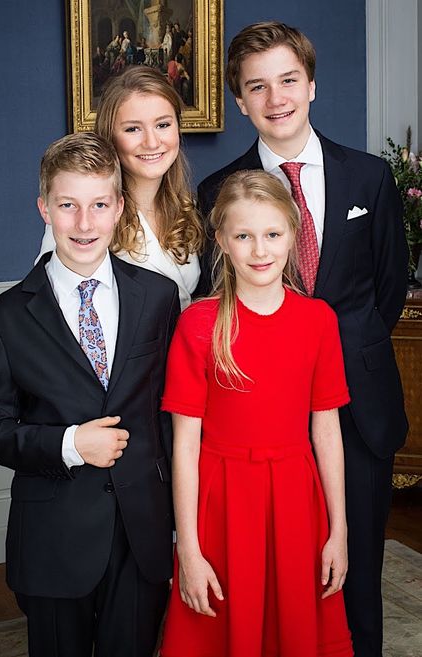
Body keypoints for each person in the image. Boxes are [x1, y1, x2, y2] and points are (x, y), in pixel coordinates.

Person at [196, 22, 408, 657]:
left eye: (288, 80)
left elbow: (389, 288)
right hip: (266, 423)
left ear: (311, 85)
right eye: (257, 87)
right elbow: (221, 304)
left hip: (356, 412)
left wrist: (333, 356)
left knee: (356, 573)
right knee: (277, 578)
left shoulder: (368, 178)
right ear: (239, 101)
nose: (276, 97)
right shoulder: (218, 194)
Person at [0, 132, 181, 657]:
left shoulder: (157, 297)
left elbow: (172, 418)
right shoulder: (7, 316)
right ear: (44, 208)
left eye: (98, 205)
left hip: (142, 533)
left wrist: (182, 523)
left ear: (119, 209)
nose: (84, 223)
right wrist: (68, 445)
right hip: (53, 536)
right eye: (68, 206)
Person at [160, 169, 354, 657]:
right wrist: (189, 548)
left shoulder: (318, 321)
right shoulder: (199, 324)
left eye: (272, 234)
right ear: (222, 241)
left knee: (293, 629)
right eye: (244, 236)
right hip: (222, 505)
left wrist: (339, 530)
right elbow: (185, 444)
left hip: (296, 499)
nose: (260, 250)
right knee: (225, 630)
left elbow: (326, 430)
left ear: (294, 234)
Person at [0, 66, 203, 436]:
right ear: (110, 137)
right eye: (133, 128)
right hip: (124, 411)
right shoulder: (85, 222)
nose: (152, 142)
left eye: (163, 125)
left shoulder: (186, 207)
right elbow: (41, 315)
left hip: (184, 396)